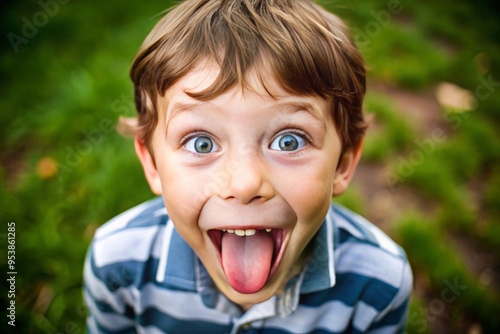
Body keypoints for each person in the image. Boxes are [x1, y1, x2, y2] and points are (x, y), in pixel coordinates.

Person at [84, 0, 413, 333]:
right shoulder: (116, 264)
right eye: (202, 143)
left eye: (289, 141)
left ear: (343, 163)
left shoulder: (379, 283)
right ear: (152, 164)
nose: (244, 184)